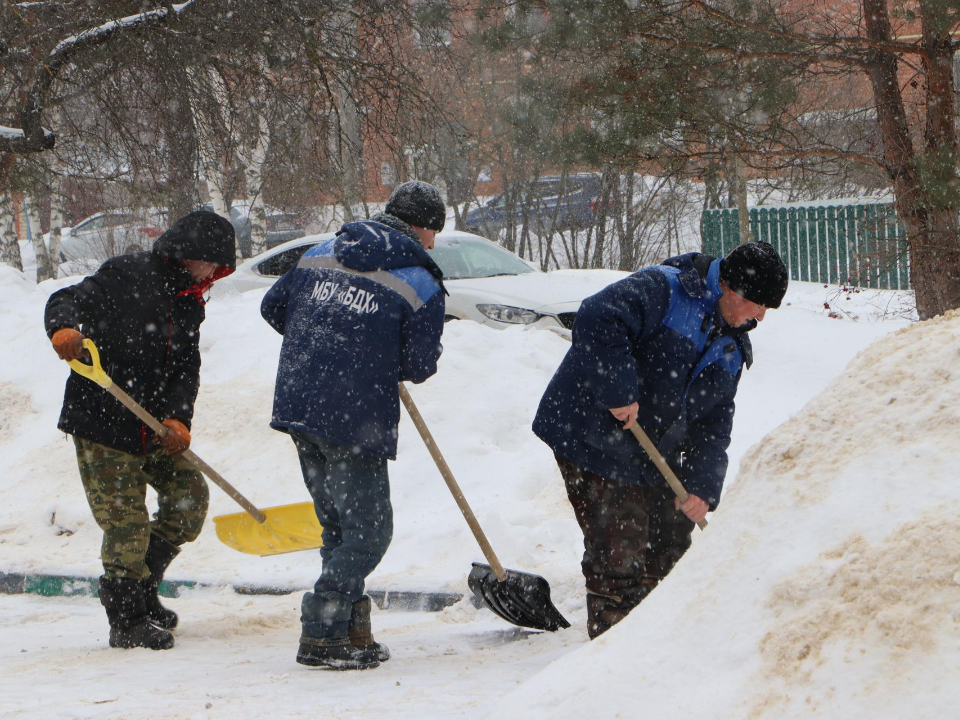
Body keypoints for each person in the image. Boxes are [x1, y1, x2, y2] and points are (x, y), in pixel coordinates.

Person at [533, 241, 788, 639]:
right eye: (759, 306)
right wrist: (618, 388)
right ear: (730, 290)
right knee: (622, 542)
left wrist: (703, 487)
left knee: (670, 544)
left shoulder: (733, 346)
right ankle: (613, 646)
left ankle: (657, 645)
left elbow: (714, 424)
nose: (761, 317)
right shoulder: (665, 289)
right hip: (590, 431)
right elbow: (596, 317)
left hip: (650, 449)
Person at [261, 180, 447, 670]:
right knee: (369, 534)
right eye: (434, 233)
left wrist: (327, 344)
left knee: (339, 527)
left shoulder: (320, 251)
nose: (432, 243)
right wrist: (364, 353)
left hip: (300, 402)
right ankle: (321, 632)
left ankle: (351, 628)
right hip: (353, 414)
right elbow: (421, 365)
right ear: (423, 229)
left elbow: (273, 307)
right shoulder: (420, 280)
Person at [44, 209, 236, 650]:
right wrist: (63, 328)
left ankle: (144, 587)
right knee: (125, 521)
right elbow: (66, 299)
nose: (213, 273)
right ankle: (125, 619)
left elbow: (185, 366)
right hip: (103, 417)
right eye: (211, 263)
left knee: (189, 499)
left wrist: (178, 419)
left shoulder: (190, 301)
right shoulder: (127, 274)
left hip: (152, 425)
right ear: (191, 254)